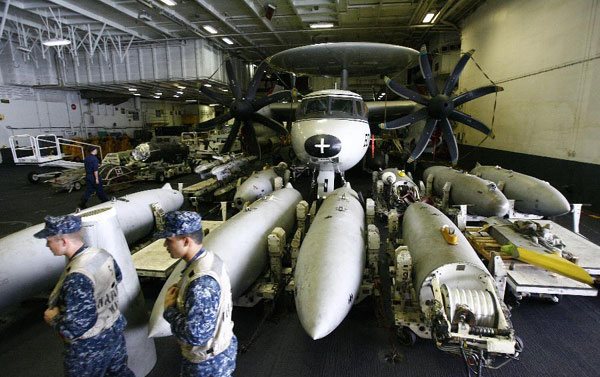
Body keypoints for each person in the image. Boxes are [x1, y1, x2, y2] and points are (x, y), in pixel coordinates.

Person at [34, 214, 134, 377]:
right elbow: (118, 277)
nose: (47, 244)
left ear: (64, 241)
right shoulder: (101, 255)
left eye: (49, 240)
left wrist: (53, 319)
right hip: (114, 333)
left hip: (89, 348)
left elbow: (77, 327)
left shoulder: (77, 277)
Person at [155, 211, 237, 377]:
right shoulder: (211, 259)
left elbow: (196, 335)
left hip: (208, 364)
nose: (165, 245)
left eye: (169, 240)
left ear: (186, 241)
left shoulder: (201, 283)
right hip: (221, 349)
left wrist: (170, 311)